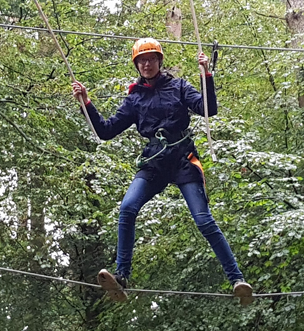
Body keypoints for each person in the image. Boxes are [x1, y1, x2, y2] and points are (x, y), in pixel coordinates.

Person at [72, 38, 253, 302]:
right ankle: (121, 276)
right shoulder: (135, 98)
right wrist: (86, 103)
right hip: (154, 160)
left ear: (159, 62)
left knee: (203, 220)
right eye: (141, 61)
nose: (146, 64)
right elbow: (106, 131)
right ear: (137, 65)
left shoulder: (178, 86)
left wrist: (207, 76)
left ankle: (237, 279)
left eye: (151, 59)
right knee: (127, 208)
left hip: (182, 158)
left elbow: (208, 109)